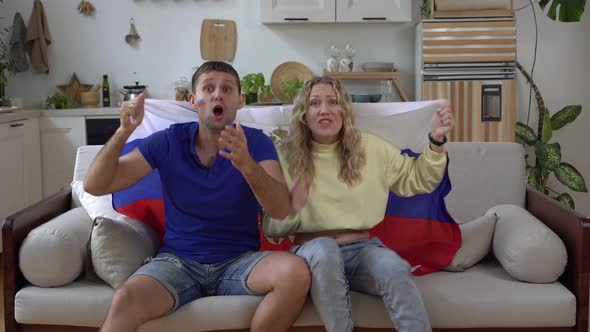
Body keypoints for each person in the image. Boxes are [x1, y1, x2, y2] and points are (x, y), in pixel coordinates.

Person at [84, 61, 311, 332]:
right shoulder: (168, 141)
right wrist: (123, 133)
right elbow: (95, 185)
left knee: (296, 273)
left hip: (239, 261)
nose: (217, 94)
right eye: (209, 88)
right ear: (193, 100)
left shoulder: (256, 142)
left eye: (227, 89)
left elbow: (281, 209)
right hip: (177, 262)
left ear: (239, 101)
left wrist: (246, 164)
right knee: (125, 299)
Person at [263, 76, 455, 332]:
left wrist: (436, 141)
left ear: (345, 110)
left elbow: (418, 179)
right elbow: (272, 228)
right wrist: (292, 208)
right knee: (325, 249)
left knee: (395, 267)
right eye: (314, 103)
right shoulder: (282, 155)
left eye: (333, 102)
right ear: (303, 114)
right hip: (312, 252)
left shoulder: (371, 148)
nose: (324, 110)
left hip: (363, 249)